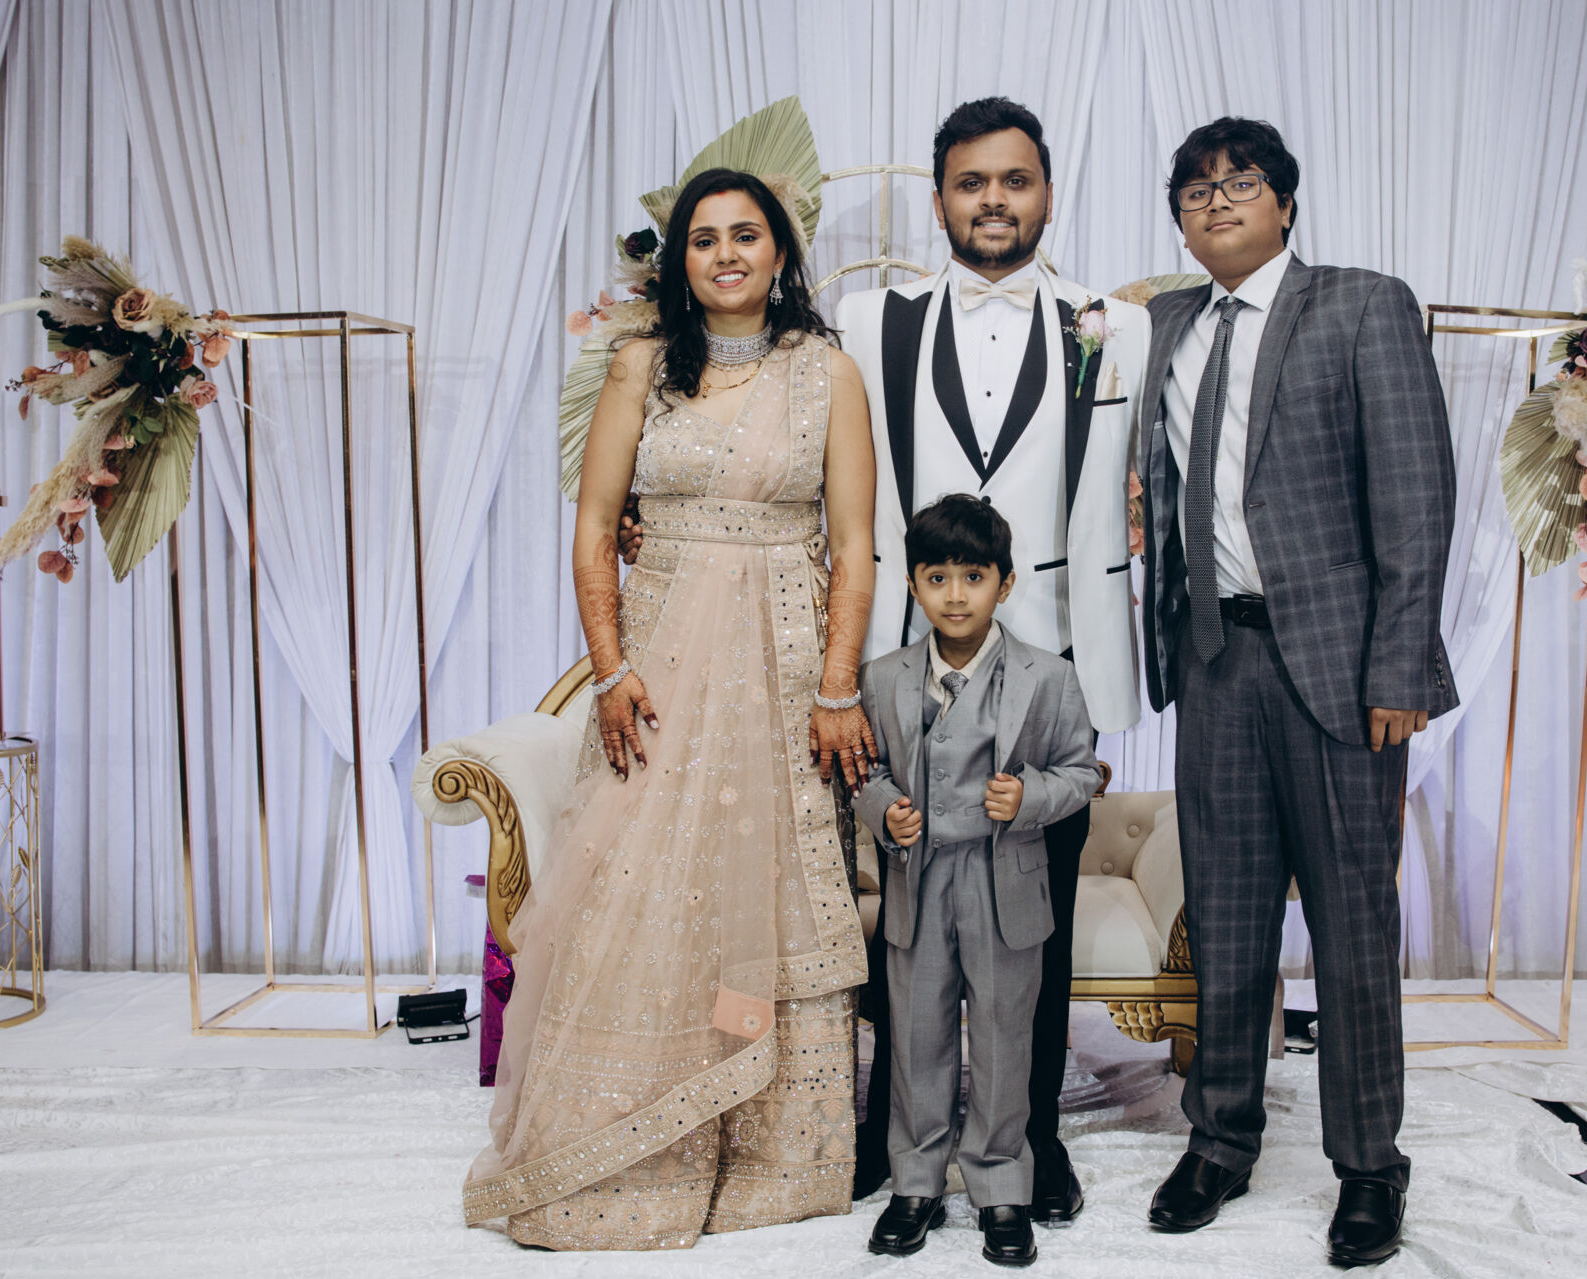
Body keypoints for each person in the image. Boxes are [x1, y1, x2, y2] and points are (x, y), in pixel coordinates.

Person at [462, 168, 878, 1250]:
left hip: (784, 665)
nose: (727, 254)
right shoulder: (640, 366)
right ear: (680, 261)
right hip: (662, 665)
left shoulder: (829, 373)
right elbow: (596, 527)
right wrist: (609, 671)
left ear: (780, 253)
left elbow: (854, 545)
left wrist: (838, 684)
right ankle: (623, 1141)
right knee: (641, 884)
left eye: (747, 235)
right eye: (705, 239)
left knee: (768, 884)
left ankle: (771, 1158)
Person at [1136, 119, 1459, 1265]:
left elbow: (1417, 497)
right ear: (1179, 221)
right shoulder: (1163, 325)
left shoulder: (1363, 305)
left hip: (1340, 667)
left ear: (1284, 203)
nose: (1218, 201)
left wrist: (1400, 666)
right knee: (1225, 920)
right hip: (1214, 658)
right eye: (1195, 191)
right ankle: (1220, 1139)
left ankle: (1370, 1167)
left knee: (1352, 926)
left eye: (1242, 183)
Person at [835, 96, 1148, 1222]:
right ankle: (894, 1133)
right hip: (903, 661)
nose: (995, 201)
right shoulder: (869, 321)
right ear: (940, 201)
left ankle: (1033, 1137)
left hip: (1051, 662)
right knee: (903, 922)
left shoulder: (1114, 326)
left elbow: (1134, 486)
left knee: (1031, 927)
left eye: (1015, 180)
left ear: (1047, 192)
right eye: (972, 182)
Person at [853, 494, 1102, 1268]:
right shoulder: (882, 677)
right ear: (912, 585)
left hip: (1004, 883)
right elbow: (862, 770)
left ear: (1006, 583)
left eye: (973, 576)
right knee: (918, 1037)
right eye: (937, 578)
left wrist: (1029, 795)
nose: (955, 595)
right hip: (919, 880)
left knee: (1002, 1038)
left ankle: (1001, 1186)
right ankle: (915, 1182)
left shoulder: (1048, 677)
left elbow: (1083, 772)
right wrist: (884, 808)